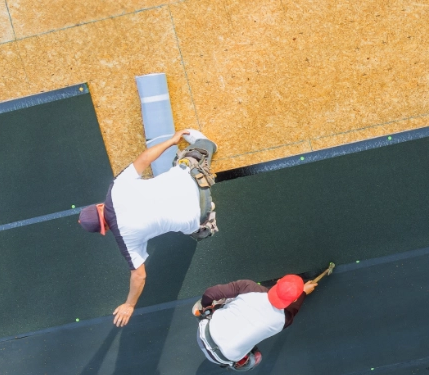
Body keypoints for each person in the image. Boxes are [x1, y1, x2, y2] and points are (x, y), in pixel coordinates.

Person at [78, 128, 219, 327]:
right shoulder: (116, 188)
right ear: (99, 206)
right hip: (193, 179)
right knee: (196, 152)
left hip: (200, 212)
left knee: (199, 231)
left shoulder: (125, 241)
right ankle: (202, 148)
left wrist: (129, 305)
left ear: (104, 230)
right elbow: (145, 158)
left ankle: (208, 221)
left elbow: (139, 276)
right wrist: (172, 140)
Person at [194, 272, 323, 371]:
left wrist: (207, 307)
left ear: (278, 281)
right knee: (254, 359)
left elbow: (210, 293)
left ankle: (210, 309)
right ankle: (240, 361)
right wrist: (304, 292)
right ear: (294, 300)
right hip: (224, 358)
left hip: (203, 333)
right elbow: (294, 308)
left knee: (231, 299)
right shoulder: (284, 320)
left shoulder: (249, 287)